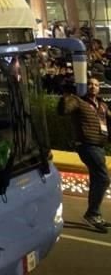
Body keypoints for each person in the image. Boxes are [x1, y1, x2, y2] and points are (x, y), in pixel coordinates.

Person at [58, 77, 110, 232]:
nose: (93, 87)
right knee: (103, 178)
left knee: (97, 179)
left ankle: (95, 214)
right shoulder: (78, 101)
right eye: (90, 84)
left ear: (99, 88)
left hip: (99, 146)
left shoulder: (102, 106)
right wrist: (66, 94)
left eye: (96, 85)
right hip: (87, 146)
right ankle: (92, 214)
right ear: (84, 87)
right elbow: (63, 110)